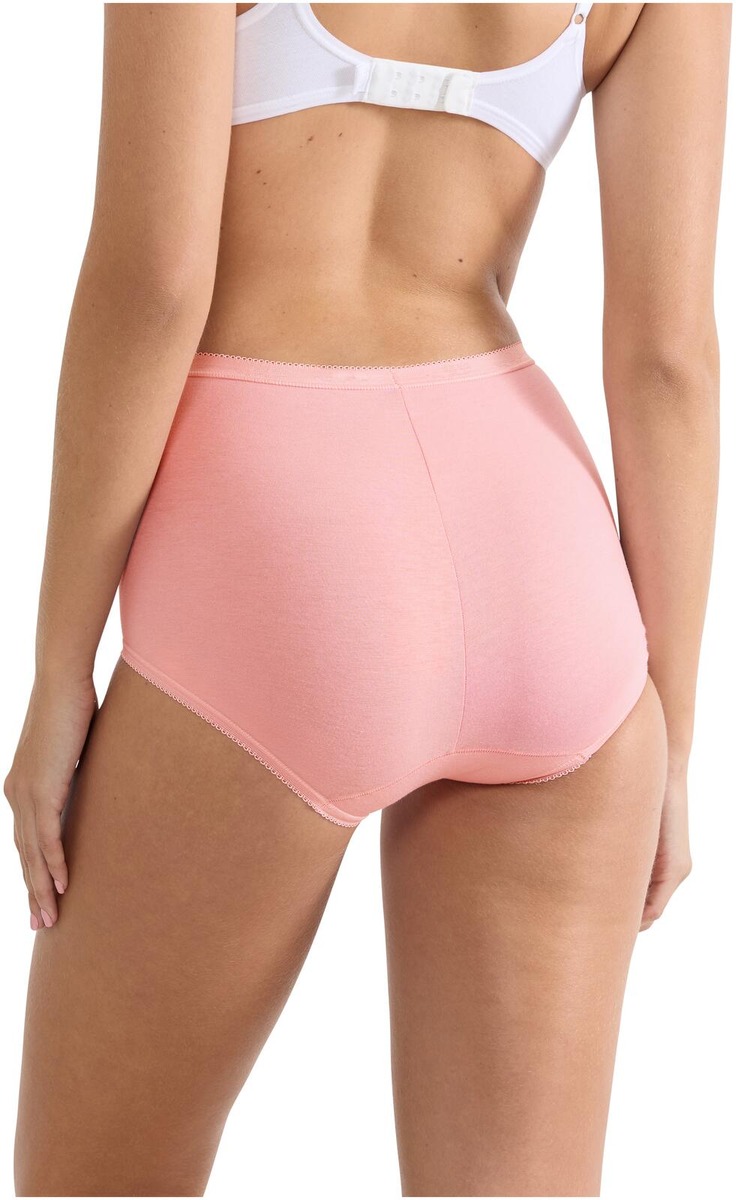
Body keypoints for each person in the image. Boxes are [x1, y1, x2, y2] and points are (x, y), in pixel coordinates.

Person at [4, 3, 729, 1196]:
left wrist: (57, 670)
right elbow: (668, 356)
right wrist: (674, 736)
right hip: (545, 559)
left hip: (286, 545)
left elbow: (154, 282)